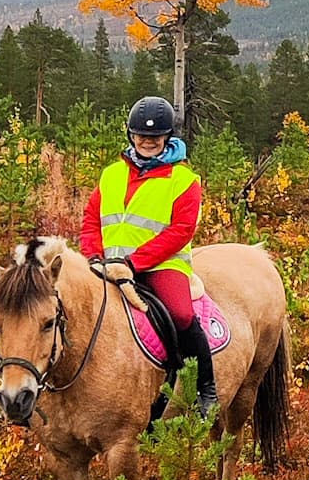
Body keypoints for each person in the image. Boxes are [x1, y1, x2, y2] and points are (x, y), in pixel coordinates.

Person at [81, 95, 216, 418]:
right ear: (131, 135)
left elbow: (180, 231)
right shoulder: (111, 175)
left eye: (155, 137)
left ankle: (204, 388)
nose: (147, 141)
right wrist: (93, 256)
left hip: (159, 265)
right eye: (141, 135)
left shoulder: (184, 181)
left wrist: (134, 262)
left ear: (167, 137)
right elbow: (90, 219)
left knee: (181, 315)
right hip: (108, 265)